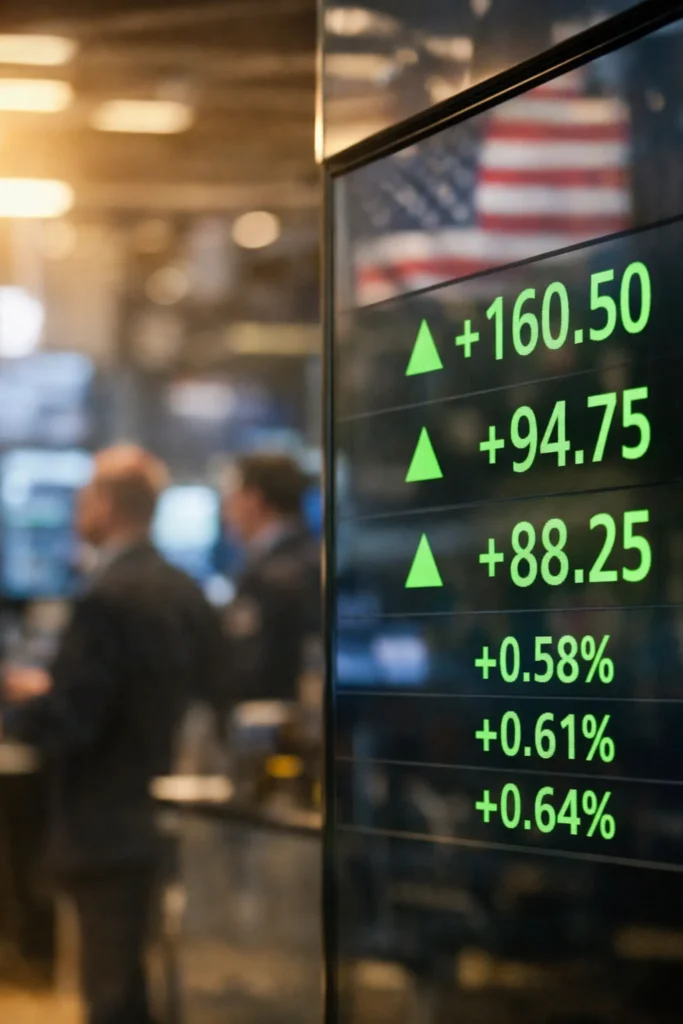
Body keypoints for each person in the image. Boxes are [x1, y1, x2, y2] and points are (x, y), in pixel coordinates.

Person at [1, 444, 225, 1024]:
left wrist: (21, 710)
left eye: (84, 496)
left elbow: (75, 720)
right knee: (149, 981)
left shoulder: (106, 598)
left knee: (111, 992)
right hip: (174, 814)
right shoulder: (186, 589)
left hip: (105, 819)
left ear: (105, 503)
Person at [221, 453, 321, 706]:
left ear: (253, 499)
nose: (226, 509)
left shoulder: (269, 575)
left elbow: (251, 671)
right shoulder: (313, 557)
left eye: (231, 496)